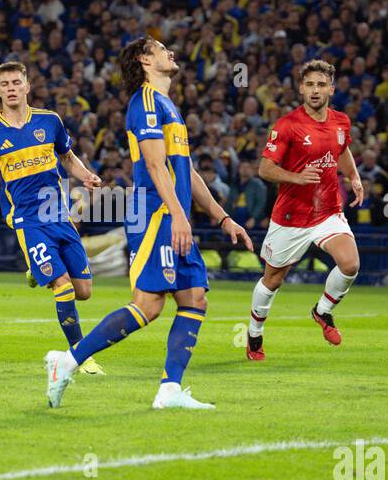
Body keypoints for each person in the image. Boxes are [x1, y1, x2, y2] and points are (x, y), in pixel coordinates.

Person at [43, 38, 252, 410]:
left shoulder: (167, 105)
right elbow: (155, 167)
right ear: (144, 59)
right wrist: (178, 215)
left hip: (172, 214)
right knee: (149, 305)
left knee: (194, 299)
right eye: (161, 47)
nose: (171, 50)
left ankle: (170, 388)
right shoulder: (146, 103)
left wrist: (222, 217)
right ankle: (68, 361)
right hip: (156, 215)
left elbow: (183, 170)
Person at [0, 62, 106, 374]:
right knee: (63, 286)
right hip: (27, 220)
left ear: (27, 86)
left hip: (59, 216)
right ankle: (80, 357)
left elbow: (67, 157)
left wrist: (86, 176)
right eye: (4, 84)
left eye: (16, 82)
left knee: (84, 291)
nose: (11, 88)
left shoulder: (50, 121)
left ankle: (36, 268)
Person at [246, 59, 364, 360]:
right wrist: (296, 177)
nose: (315, 90)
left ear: (331, 90)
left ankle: (323, 311)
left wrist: (353, 176)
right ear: (301, 88)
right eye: (310, 84)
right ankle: (254, 335)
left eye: (321, 85)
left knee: (350, 264)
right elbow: (265, 168)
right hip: (291, 216)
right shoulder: (287, 125)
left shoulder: (341, 122)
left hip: (327, 211)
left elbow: (342, 150)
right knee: (273, 280)